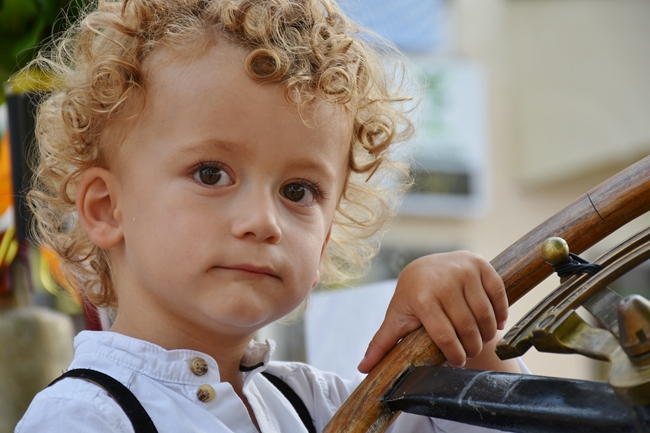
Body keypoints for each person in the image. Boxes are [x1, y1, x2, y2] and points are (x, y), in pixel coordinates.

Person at [16, 0, 522, 431]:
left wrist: (466, 329)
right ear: (107, 209)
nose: (264, 221)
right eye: (211, 174)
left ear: (324, 240)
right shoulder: (82, 418)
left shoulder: (318, 405)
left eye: (298, 191)